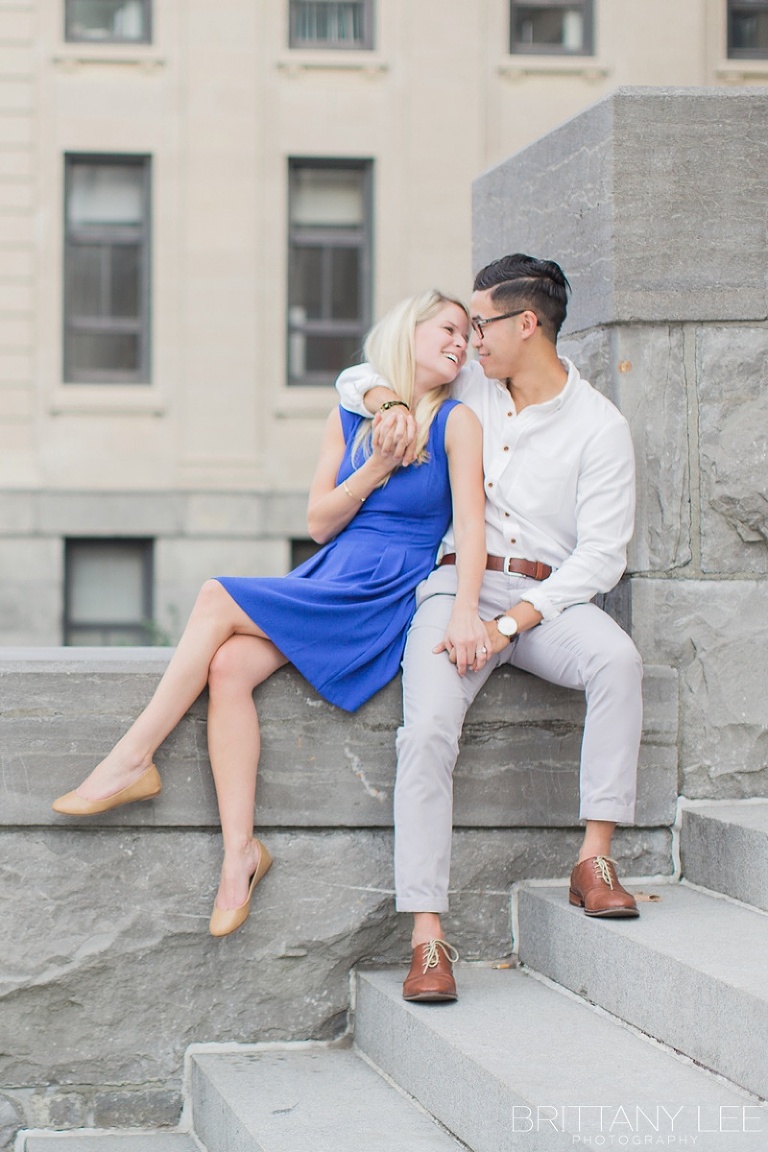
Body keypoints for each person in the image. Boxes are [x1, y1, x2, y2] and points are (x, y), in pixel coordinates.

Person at [52, 290, 488, 939]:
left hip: (383, 586)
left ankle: (132, 757)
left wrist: (467, 611)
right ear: (410, 331)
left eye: (466, 335)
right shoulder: (351, 417)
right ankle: (240, 856)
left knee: (214, 595)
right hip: (333, 569)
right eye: (448, 328)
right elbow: (318, 523)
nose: (460, 342)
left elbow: (473, 527)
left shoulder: (457, 421)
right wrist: (376, 465)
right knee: (229, 667)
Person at [336, 254, 643, 1003]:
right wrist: (387, 402)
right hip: (454, 587)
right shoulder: (470, 384)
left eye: (481, 324)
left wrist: (507, 623)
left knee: (619, 662)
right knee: (425, 732)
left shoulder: (600, 427)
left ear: (526, 323)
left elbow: (602, 557)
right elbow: (356, 374)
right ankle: (428, 938)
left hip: (547, 602)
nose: (469, 339)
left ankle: (594, 859)